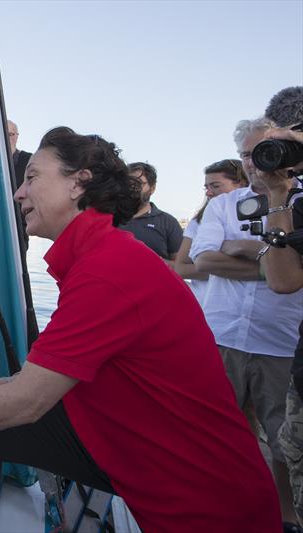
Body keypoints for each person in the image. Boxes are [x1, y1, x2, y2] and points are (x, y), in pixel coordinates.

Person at [0, 127, 280, 532]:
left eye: (31, 177)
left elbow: (29, 400)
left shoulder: (109, 271)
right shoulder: (99, 256)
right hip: (128, 447)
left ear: (78, 182)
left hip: (203, 501)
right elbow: (38, 378)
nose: (18, 194)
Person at [190, 117, 303, 527]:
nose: (257, 164)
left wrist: (243, 248)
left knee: (284, 443)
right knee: (214, 433)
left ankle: (286, 518)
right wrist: (274, 263)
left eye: (265, 153)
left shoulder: (300, 204)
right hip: (222, 337)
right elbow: (203, 262)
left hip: (281, 343)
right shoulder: (222, 206)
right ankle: (216, 510)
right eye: (247, 156)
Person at [260, 89, 303, 528]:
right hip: (302, 374)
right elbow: (282, 280)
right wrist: (278, 195)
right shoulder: (294, 201)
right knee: (290, 458)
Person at [173, 159, 248, 303]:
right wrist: (249, 269)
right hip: (208, 304)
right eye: (206, 187)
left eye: (215, 186)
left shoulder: (263, 217)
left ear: (241, 184)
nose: (209, 192)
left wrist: (219, 262)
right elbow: (181, 268)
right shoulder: (197, 222)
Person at [118, 162, 183, 264]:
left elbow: (181, 266)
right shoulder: (109, 218)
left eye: (138, 183)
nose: (132, 187)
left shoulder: (168, 222)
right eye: (128, 182)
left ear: (152, 188)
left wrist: (156, 263)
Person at [8, 119, 32, 251]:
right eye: (2, 134)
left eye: (10, 134)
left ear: (17, 136)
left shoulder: (29, 161)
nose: (6, 138)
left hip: (19, 228)